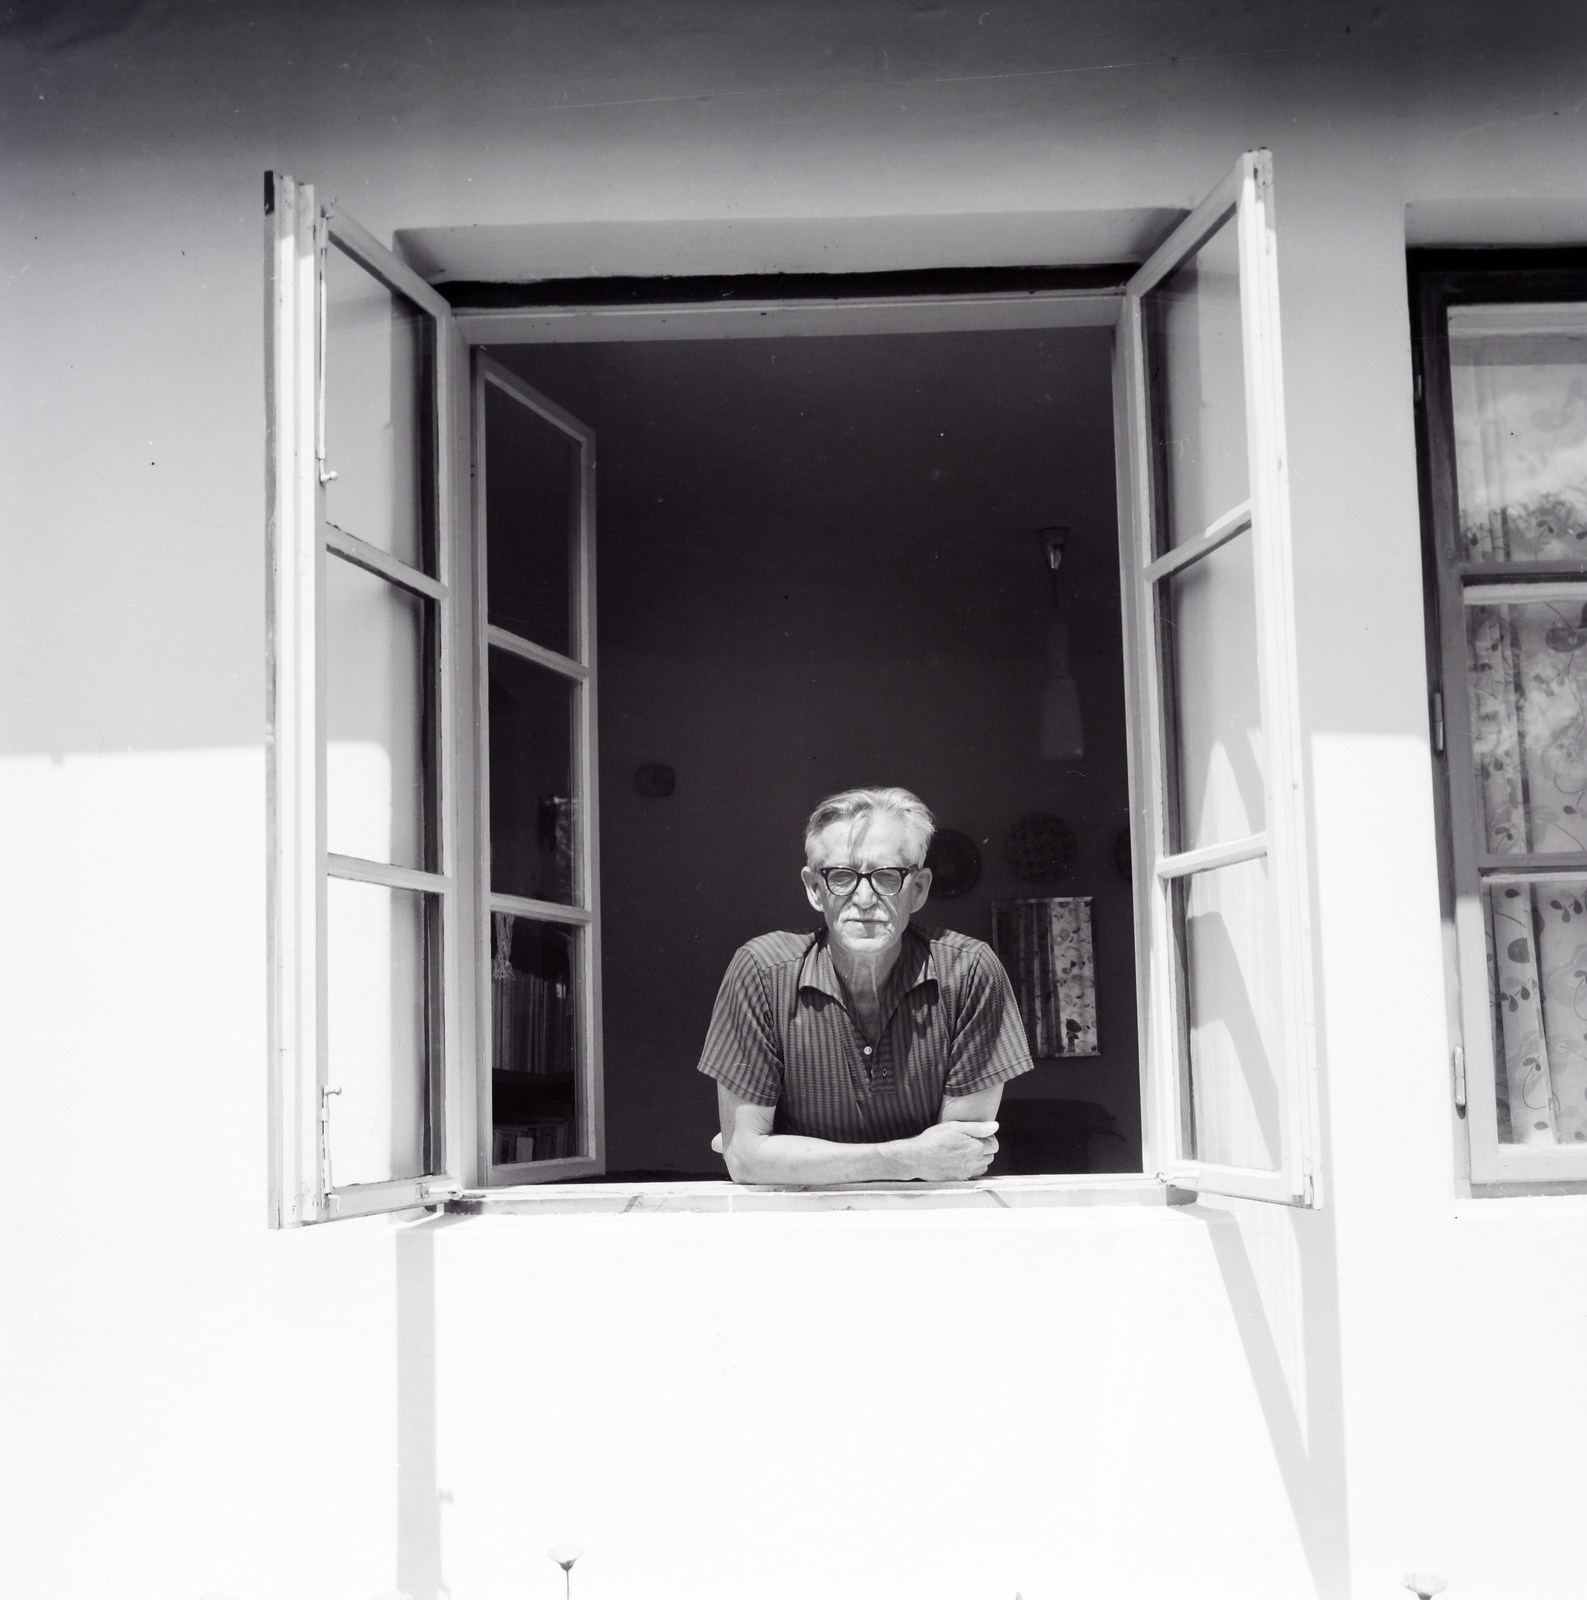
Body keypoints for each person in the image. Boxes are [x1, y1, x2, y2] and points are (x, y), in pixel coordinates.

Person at [699, 786, 1034, 1185]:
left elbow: (954, 1160)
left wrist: (789, 1156)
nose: (863, 897)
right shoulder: (761, 972)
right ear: (813, 888)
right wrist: (905, 1159)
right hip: (798, 1225)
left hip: (930, 1223)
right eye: (840, 876)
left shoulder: (969, 972)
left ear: (920, 888)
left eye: (887, 876)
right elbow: (746, 1160)